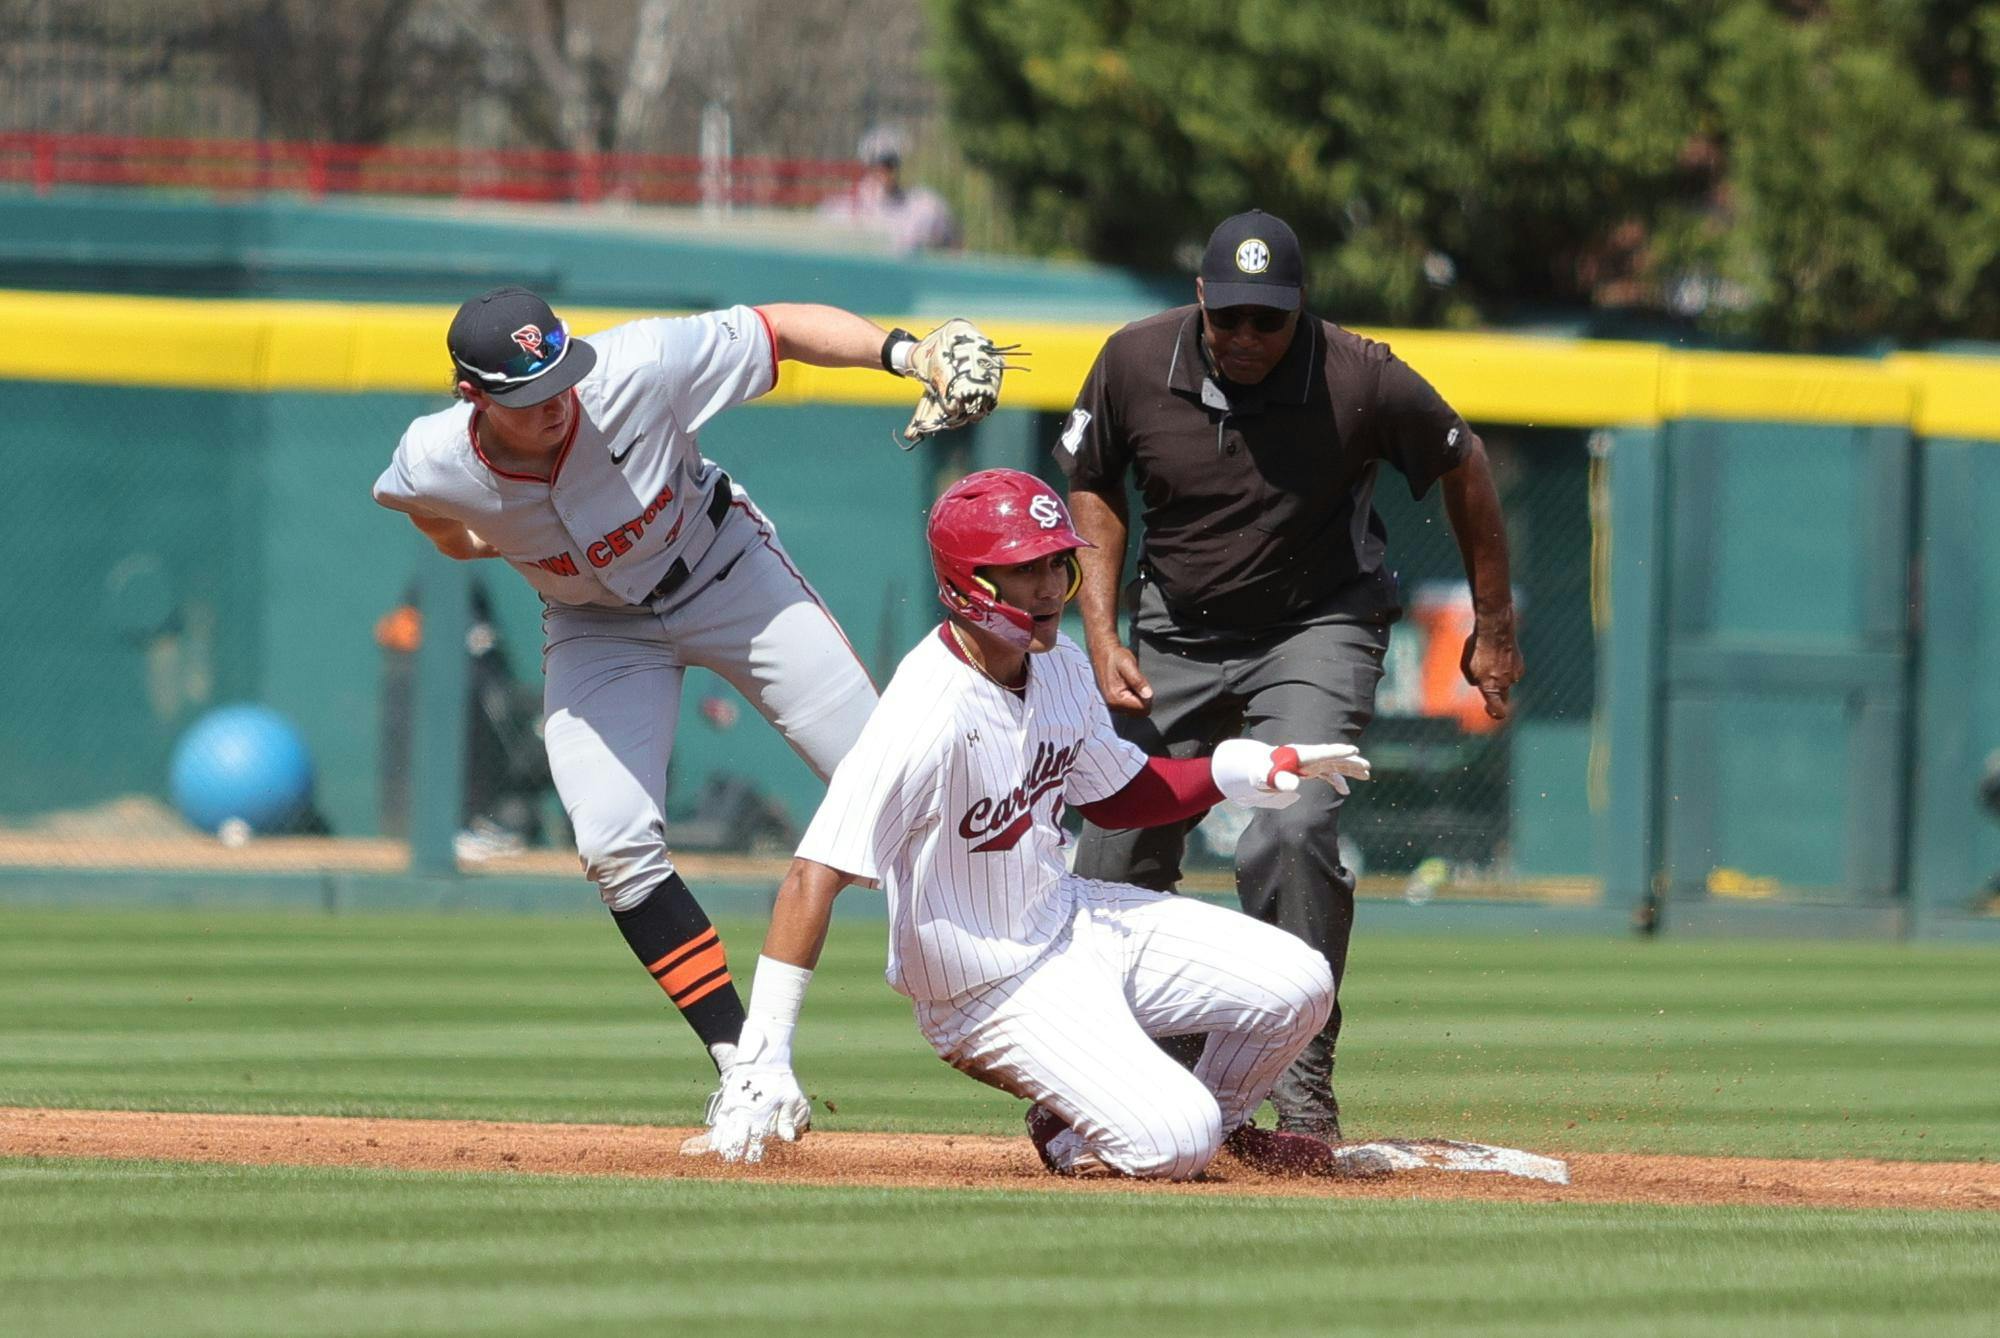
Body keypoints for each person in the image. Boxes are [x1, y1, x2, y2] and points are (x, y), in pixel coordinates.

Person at [372, 286, 1008, 1081]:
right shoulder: (434, 456)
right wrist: (476, 540)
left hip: (726, 573)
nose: (557, 401)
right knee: (612, 844)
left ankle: (1041, 980)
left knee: (901, 786)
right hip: (595, 629)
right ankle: (746, 1066)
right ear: (474, 397)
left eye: (561, 374)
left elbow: (778, 330)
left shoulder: (636, 367)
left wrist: (903, 354)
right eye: (530, 396)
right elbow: (423, 507)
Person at [687, 469, 1378, 1179]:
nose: (1050, 585)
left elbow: (1119, 794)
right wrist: (762, 1055)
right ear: (970, 579)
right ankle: (1091, 1132)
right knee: (1174, 1141)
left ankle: (1210, 1123)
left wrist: (1236, 771)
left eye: (1057, 562)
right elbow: (814, 873)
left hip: (1072, 920)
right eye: (1026, 568)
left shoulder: (1061, 665)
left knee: (1301, 983)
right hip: (984, 989)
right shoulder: (927, 711)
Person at [1056, 210, 1524, 1142]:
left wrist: (1494, 625)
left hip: (1316, 626)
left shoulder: (1359, 374)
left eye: (1267, 320)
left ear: (1298, 310)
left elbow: (1462, 461)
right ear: (1200, 300)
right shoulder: (1134, 362)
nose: (1246, 338)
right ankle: (1141, 1069)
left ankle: (1300, 1083)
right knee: (1114, 845)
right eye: (1229, 317)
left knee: (1292, 824)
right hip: (1176, 632)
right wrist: (1100, 631)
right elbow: (1093, 483)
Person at [817, 125, 959, 254]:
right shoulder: (840, 209)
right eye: (876, 163)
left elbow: (954, 250)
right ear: (866, 165)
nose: (882, 170)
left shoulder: (926, 206)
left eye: (889, 163)